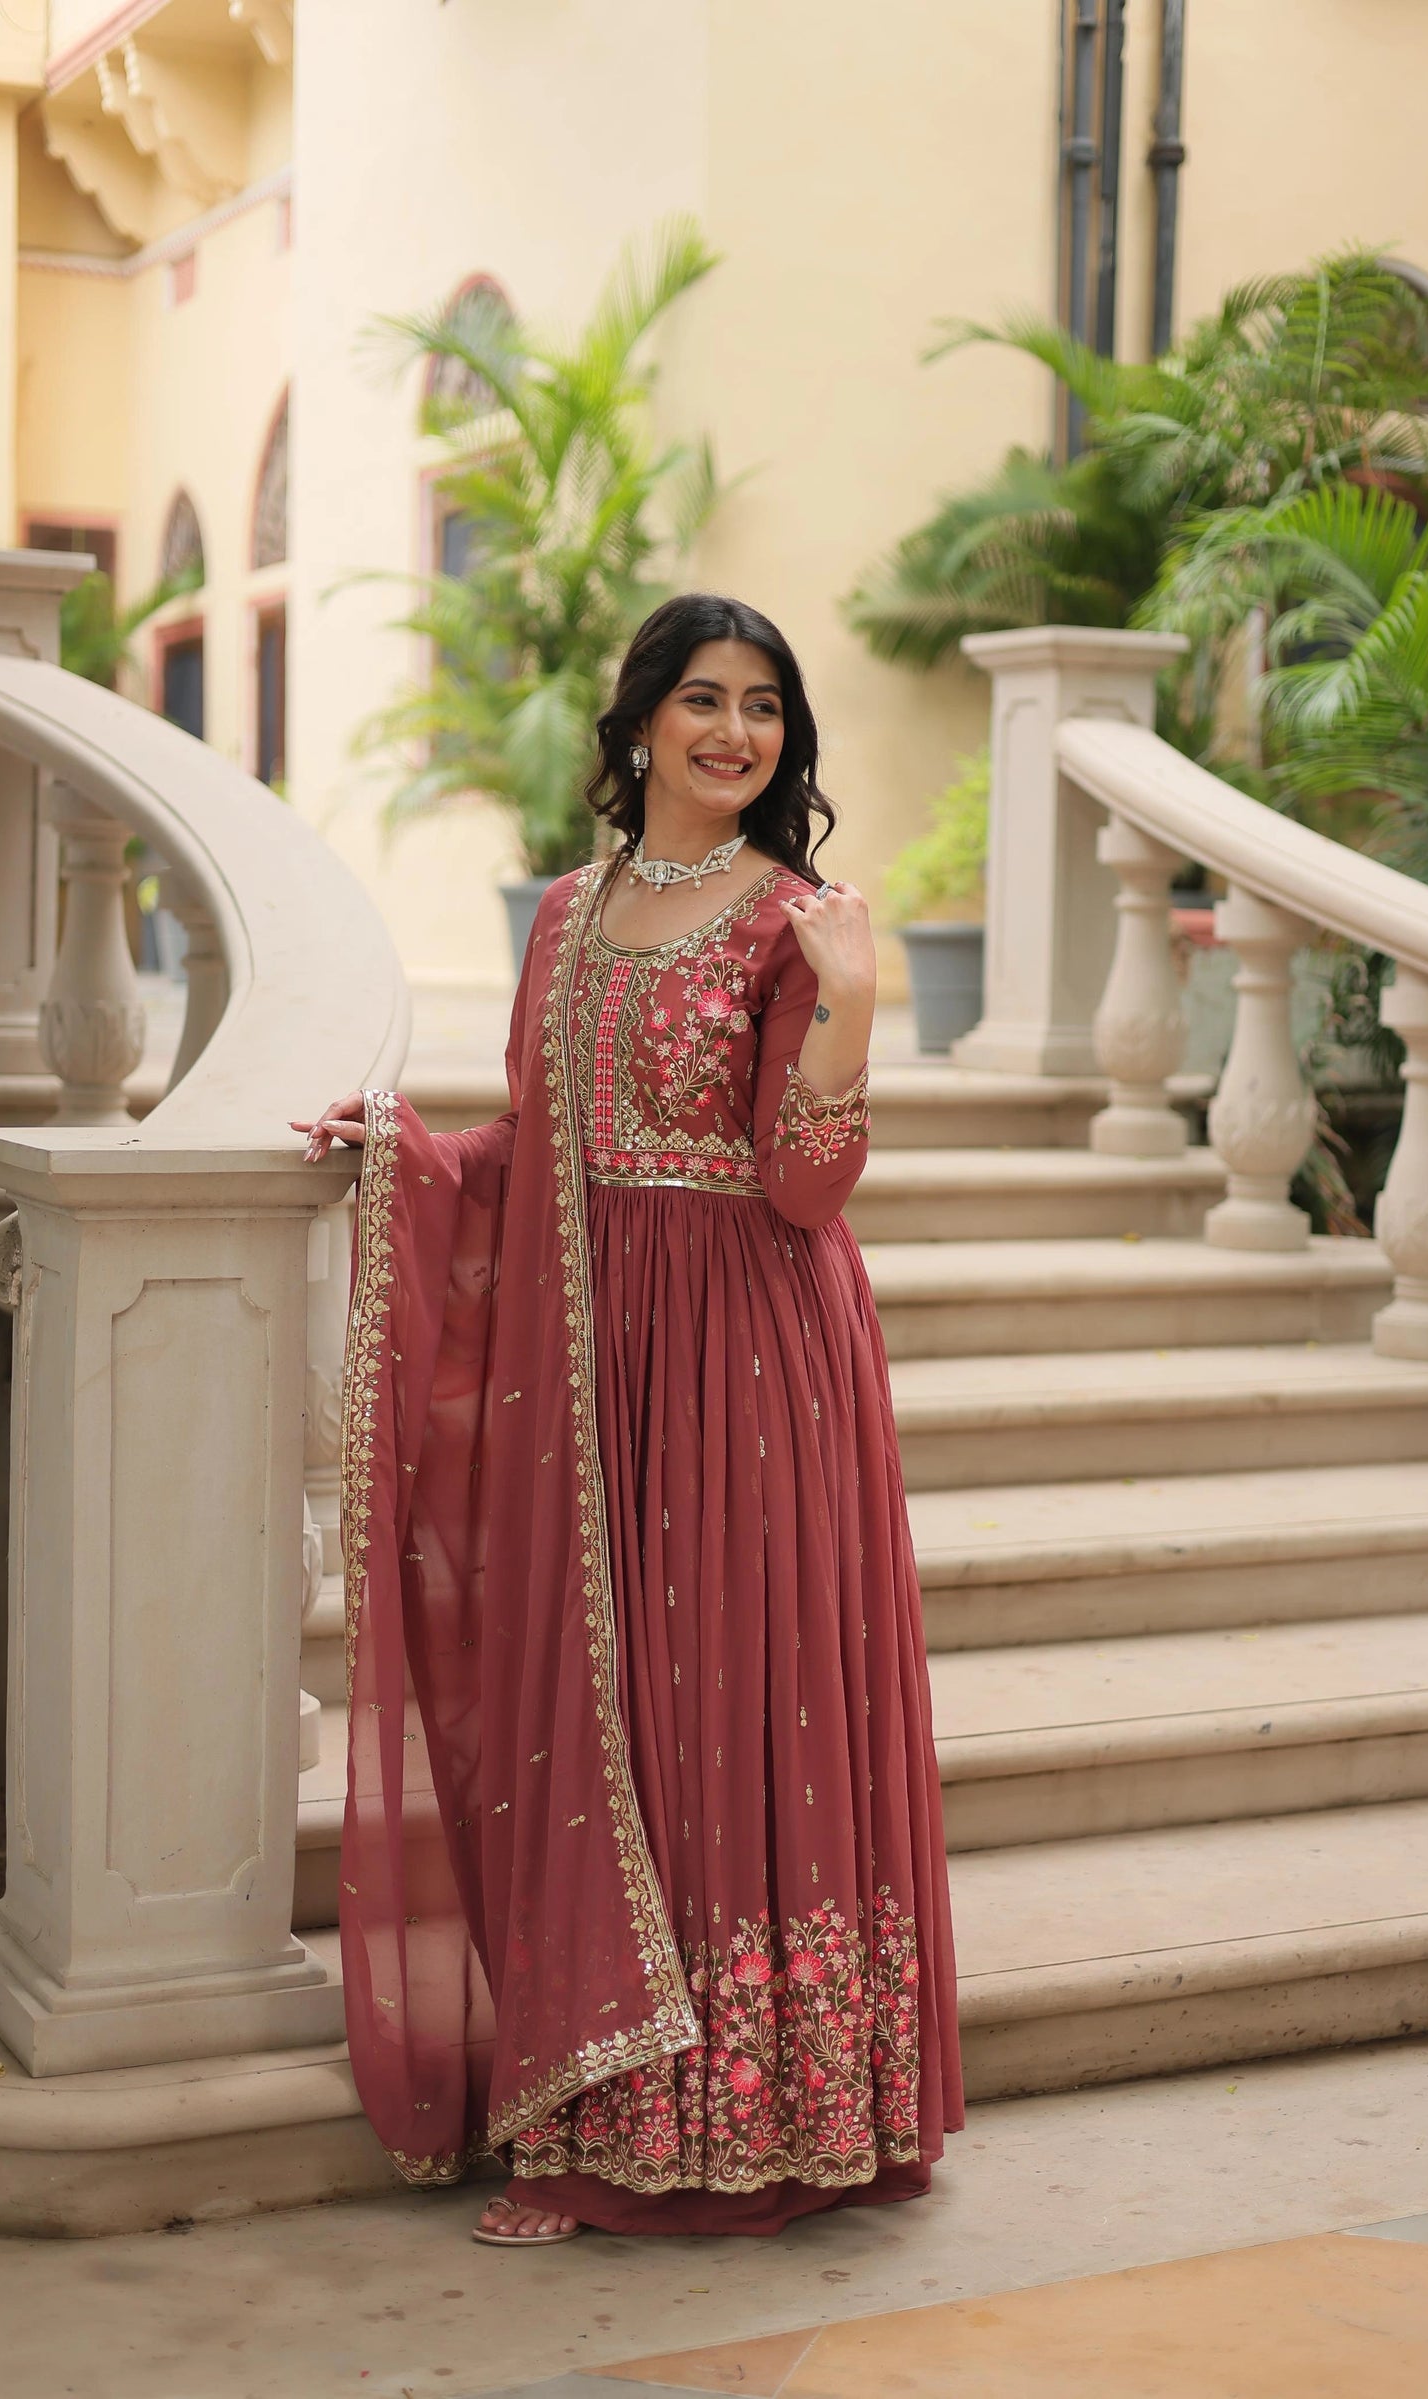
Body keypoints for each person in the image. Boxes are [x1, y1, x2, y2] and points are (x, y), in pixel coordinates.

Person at [294, 592, 963, 2244]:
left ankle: (757, 2114)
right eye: (703, 700)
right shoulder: (571, 916)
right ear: (643, 720)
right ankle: (604, 2100)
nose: (736, 733)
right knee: (624, 1713)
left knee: (741, 1706)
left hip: (754, 1357)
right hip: (601, 1367)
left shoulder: (796, 920)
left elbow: (810, 1192)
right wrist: (405, 1155)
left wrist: (854, 1008)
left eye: (764, 707)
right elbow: (543, 1148)